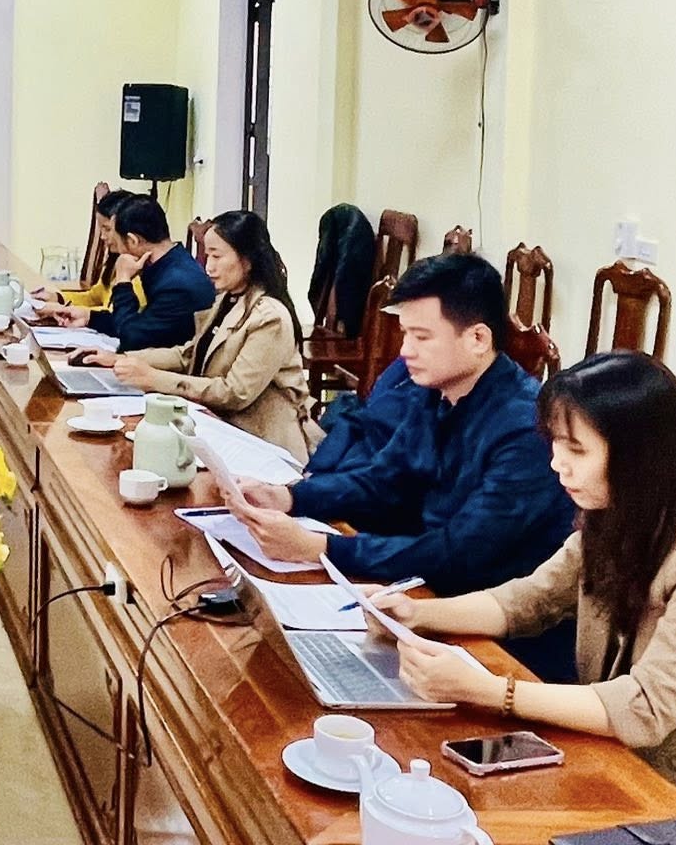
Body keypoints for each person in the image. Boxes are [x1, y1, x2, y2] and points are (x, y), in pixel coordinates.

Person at [371, 353, 676, 844]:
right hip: (647, 777)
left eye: (576, 449)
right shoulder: (618, 518)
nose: (557, 463)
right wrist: (416, 612)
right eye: (555, 442)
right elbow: (528, 600)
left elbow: (645, 706)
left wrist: (491, 691)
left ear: (638, 457)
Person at [222, 254, 576, 675]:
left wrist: (322, 548)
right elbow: (384, 479)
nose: (405, 352)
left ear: (478, 338)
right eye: (405, 333)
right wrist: (289, 497)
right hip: (421, 594)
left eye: (422, 337)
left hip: (499, 636)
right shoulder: (435, 389)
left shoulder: (526, 428)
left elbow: (461, 551)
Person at [88, 210, 317, 461]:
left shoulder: (270, 317)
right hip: (220, 428)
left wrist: (153, 378)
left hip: (261, 445)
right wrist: (121, 359)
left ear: (247, 259)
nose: (209, 267)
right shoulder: (227, 299)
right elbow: (189, 355)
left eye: (217, 256)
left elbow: (234, 393)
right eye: (208, 256)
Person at [39, 195, 212, 351]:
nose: (107, 239)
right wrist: (90, 317)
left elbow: (132, 337)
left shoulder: (177, 284)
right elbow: (140, 324)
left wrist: (123, 280)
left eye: (114, 236)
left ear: (132, 240)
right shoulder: (166, 264)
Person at [31, 188, 141, 308]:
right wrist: (57, 298)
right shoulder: (115, 262)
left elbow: (112, 315)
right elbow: (92, 298)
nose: (102, 236)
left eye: (108, 229)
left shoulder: (136, 272)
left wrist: (69, 311)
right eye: (101, 229)